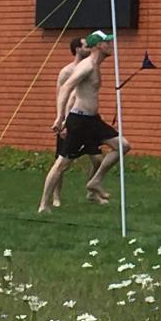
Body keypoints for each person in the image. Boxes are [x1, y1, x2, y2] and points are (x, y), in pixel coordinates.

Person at [44, 30, 130, 210]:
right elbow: (66, 88)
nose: (110, 46)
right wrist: (60, 117)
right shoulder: (87, 67)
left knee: (123, 146)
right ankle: (44, 205)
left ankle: (95, 182)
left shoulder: (95, 65)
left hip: (93, 120)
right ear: (98, 45)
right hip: (79, 121)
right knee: (62, 164)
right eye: (107, 43)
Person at [38, 35, 101, 212]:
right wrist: (62, 120)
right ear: (78, 49)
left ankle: (91, 191)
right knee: (62, 162)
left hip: (86, 120)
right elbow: (61, 94)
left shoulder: (90, 66)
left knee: (97, 159)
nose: (89, 48)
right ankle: (55, 197)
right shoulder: (67, 71)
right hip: (70, 121)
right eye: (86, 46)